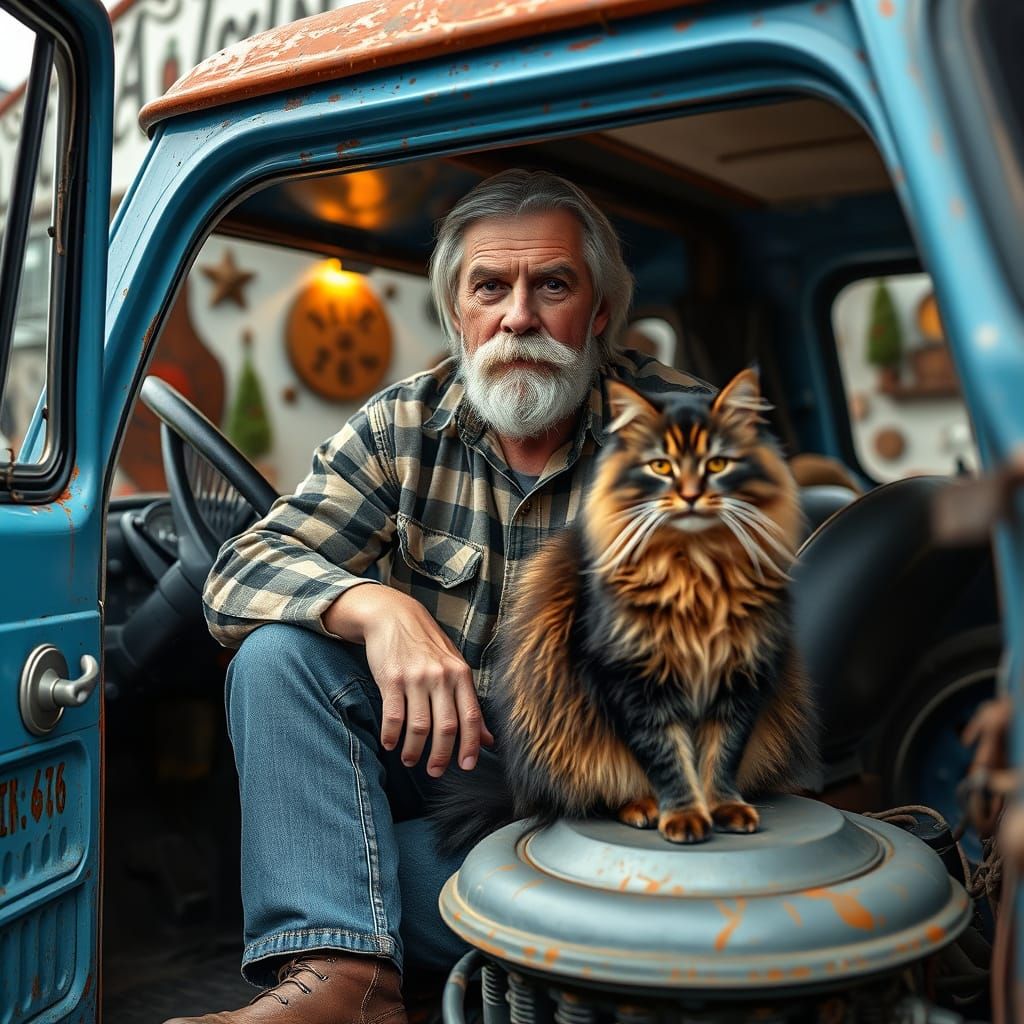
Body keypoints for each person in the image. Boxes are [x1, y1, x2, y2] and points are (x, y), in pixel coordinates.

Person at [173, 169, 707, 1024]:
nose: (519, 317)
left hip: (605, 809)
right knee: (279, 657)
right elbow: (239, 572)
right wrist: (380, 610)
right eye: (490, 287)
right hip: (443, 768)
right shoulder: (403, 425)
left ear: (600, 312)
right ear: (458, 312)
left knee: (385, 873)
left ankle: (353, 931)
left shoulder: (681, 433)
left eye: (553, 286)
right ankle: (346, 985)